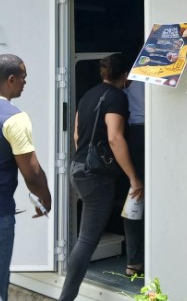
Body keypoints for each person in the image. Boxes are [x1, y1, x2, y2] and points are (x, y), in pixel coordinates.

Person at [58, 54, 143, 301]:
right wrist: (133, 177)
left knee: (87, 237)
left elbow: (77, 135)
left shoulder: (88, 95)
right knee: (87, 241)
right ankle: (66, 297)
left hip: (78, 167)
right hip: (96, 176)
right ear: (125, 76)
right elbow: (115, 138)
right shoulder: (117, 97)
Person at [0, 54, 52, 301]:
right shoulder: (14, 118)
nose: (25, 82)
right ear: (11, 79)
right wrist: (45, 197)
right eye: (23, 77)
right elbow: (31, 172)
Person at [122, 79, 144, 276]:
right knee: (137, 195)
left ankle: (134, 261)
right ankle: (137, 259)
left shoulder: (131, 75)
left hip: (135, 132)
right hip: (144, 130)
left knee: (135, 196)